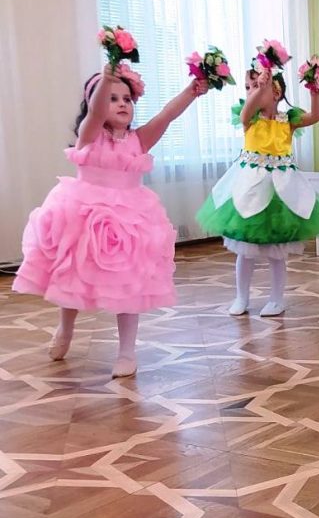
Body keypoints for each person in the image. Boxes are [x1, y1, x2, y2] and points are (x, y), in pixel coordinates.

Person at [14, 63, 209, 377]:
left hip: (129, 219)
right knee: (73, 275)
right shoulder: (89, 136)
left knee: (129, 285)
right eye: (112, 99)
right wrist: (106, 79)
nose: (122, 104)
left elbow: (167, 115)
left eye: (127, 99)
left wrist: (191, 91)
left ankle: (127, 351)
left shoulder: (138, 140)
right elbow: (94, 112)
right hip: (83, 213)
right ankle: (66, 329)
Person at [196, 63, 319, 317]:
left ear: (276, 92)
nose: (252, 91)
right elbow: (246, 111)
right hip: (250, 189)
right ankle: (241, 297)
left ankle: (277, 299)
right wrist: (260, 88)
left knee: (277, 252)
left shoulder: (288, 121)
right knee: (244, 250)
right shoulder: (249, 119)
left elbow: (316, 116)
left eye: (258, 86)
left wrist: (315, 90)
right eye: (249, 87)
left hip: (281, 191)